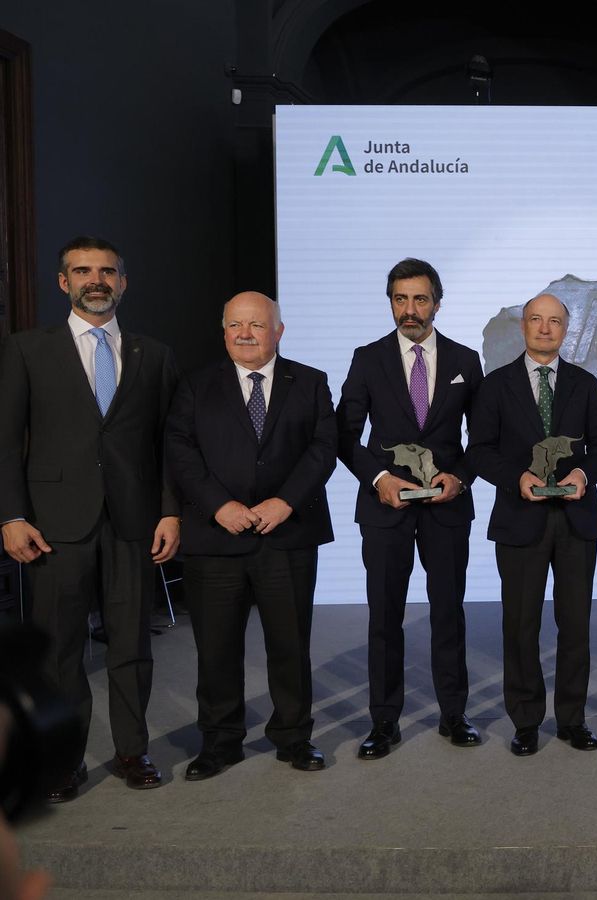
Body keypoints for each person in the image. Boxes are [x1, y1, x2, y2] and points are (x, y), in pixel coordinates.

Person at [0, 236, 180, 800]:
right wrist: (10, 515)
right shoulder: (27, 349)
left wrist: (171, 512)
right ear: (63, 282)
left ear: (123, 282)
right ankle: (64, 761)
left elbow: (171, 445)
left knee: (131, 644)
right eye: (83, 271)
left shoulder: (154, 354)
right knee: (59, 650)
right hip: (53, 524)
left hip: (133, 520)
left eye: (107, 271)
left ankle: (132, 751)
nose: (95, 280)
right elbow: (5, 441)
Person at [164, 291, 337, 779]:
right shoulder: (196, 385)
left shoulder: (310, 382)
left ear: (278, 331)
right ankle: (220, 742)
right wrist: (220, 507)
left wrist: (286, 502)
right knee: (216, 648)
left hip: (288, 534)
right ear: (223, 331)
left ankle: (293, 738)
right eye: (236, 325)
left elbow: (324, 448)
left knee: (290, 644)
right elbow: (180, 450)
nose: (245, 334)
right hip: (216, 538)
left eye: (257, 326)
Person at [336, 259, 485, 760]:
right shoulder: (367, 358)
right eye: (401, 299)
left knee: (448, 613)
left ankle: (453, 714)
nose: (410, 309)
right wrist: (378, 478)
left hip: (446, 507)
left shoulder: (466, 359)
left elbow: (483, 439)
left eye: (420, 299)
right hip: (386, 507)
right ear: (391, 303)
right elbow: (343, 434)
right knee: (385, 617)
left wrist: (459, 475)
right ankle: (384, 722)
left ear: (437, 303)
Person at [467, 293, 597, 754]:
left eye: (554, 321)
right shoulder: (494, 385)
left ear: (566, 329)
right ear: (524, 326)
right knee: (520, 623)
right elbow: (479, 450)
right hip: (519, 518)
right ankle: (526, 720)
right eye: (536, 319)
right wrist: (517, 478)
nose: (545, 328)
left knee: (575, 624)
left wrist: (583, 473)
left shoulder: (586, 383)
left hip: (576, 520)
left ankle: (572, 719)